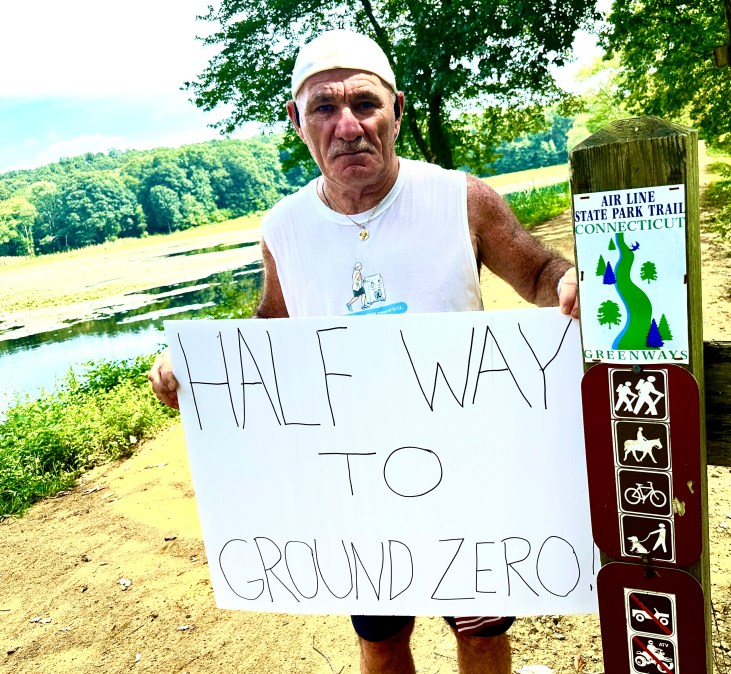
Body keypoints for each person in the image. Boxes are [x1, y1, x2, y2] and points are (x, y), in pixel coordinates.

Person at [148, 28, 580, 674]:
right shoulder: (283, 228)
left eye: (365, 104)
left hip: (465, 473)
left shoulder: (461, 199)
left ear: (397, 111)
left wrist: (570, 283)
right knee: (379, 641)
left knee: (481, 634)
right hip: (356, 487)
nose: (346, 126)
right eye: (324, 107)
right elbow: (270, 328)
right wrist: (196, 366)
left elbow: (541, 273)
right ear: (296, 121)